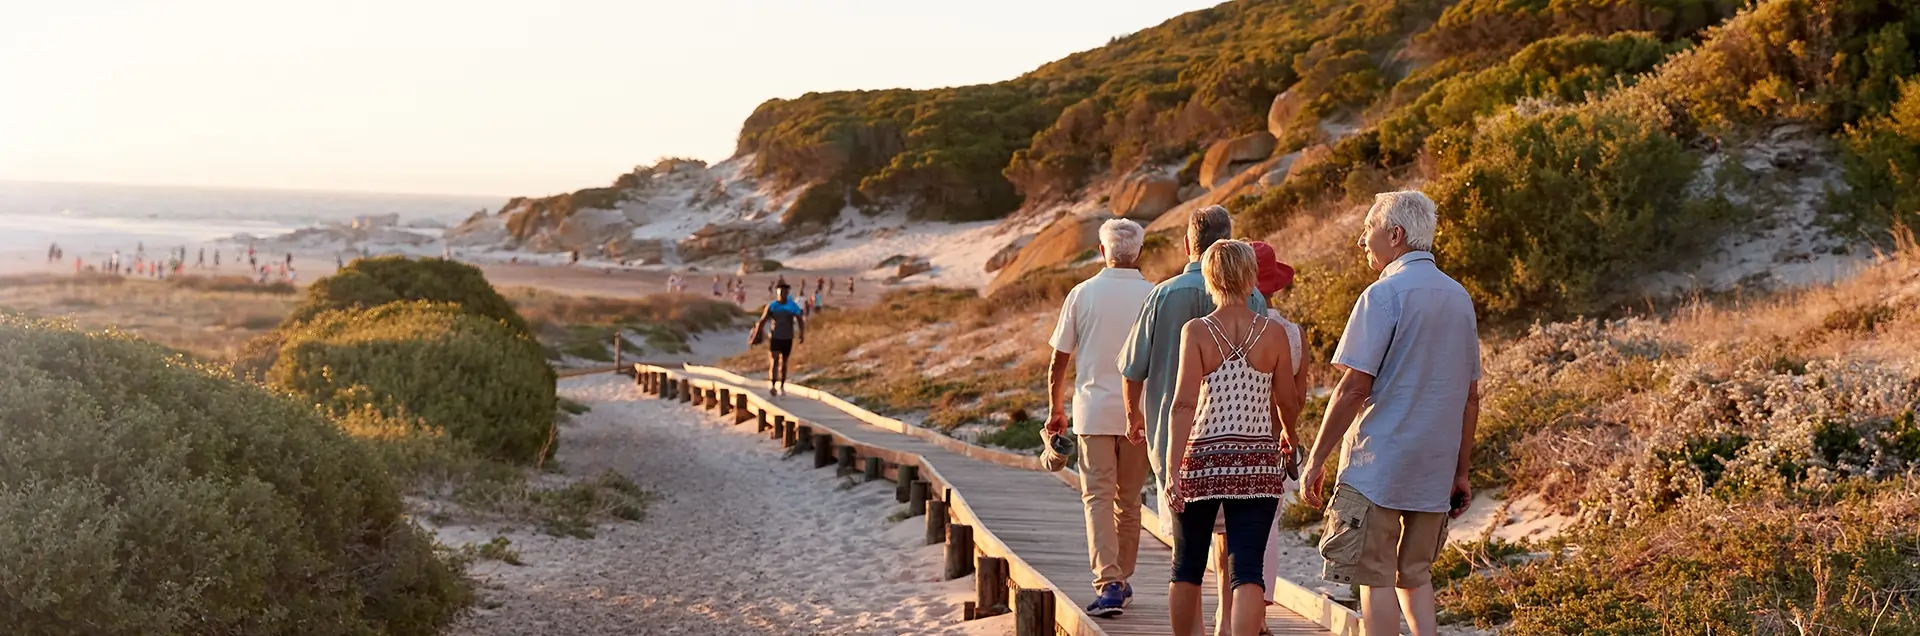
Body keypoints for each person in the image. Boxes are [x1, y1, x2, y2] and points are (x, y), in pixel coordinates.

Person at [1300, 191, 1481, 636]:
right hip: (1434, 465)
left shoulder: (1382, 296)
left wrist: (1317, 459)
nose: (1363, 241)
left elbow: (1353, 388)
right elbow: (1470, 396)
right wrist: (1461, 472)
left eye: (1370, 231)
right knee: (1416, 575)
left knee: (1374, 577)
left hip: (1377, 462)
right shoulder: (1460, 298)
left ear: (1395, 235)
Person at [1163, 240, 1296, 636]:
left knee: (1187, 564)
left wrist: (1173, 469)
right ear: (1251, 278)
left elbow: (1183, 404)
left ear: (1209, 279)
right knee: (1248, 569)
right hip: (1256, 460)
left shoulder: (1197, 332)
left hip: (1202, 458)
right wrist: (1289, 434)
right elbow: (1286, 399)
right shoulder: (1273, 333)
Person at [1119, 205, 1266, 543]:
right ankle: (1231, 599)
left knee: (1185, 556)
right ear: (1229, 243)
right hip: (1235, 440)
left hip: (1175, 443)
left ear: (1188, 244)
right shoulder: (1253, 298)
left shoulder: (1162, 294)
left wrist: (1133, 416)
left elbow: (1133, 367)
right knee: (1234, 546)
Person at [1044, 219, 1156, 617]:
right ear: (1138, 252)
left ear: (1100, 250)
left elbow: (1060, 358)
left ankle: (1109, 582)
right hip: (1139, 414)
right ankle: (1121, 578)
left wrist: (1056, 408)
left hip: (1091, 412)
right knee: (1129, 501)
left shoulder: (1082, 293)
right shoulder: (1154, 296)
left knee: (1097, 498)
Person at [1207, 241, 1308, 633]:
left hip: (1223, 444)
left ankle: (1223, 616)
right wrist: (1290, 436)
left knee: (1224, 538)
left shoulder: (1212, 326)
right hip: (1269, 446)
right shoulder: (1290, 332)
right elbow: (1295, 398)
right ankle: (1254, 619)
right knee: (1262, 536)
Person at [749, 283, 805, 396]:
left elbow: (800, 320)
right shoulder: (772, 306)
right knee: (774, 360)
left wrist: (801, 334)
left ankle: (782, 385)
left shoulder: (792, 306)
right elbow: (762, 321)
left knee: (783, 362)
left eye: (784, 292)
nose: (782, 295)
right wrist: (755, 337)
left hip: (787, 337)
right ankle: (773, 385)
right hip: (775, 337)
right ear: (777, 293)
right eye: (780, 292)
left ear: (787, 293)